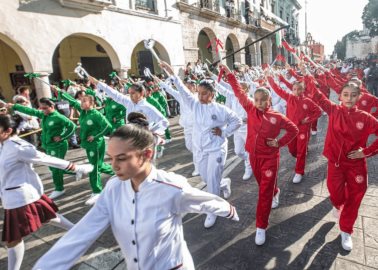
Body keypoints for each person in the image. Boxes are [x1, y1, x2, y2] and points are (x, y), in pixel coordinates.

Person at [33, 115, 239, 270]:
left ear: (146, 154)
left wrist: (229, 210)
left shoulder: (171, 187)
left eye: (121, 158)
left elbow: (205, 201)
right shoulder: (113, 188)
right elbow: (83, 232)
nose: (114, 165)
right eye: (111, 158)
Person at [0, 114, 93, 270]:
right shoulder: (3, 144)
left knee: (13, 238)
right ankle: (79, 231)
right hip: (15, 194)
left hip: (20, 197)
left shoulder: (18, 147)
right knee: (47, 216)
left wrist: (77, 167)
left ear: (8, 131)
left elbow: (45, 159)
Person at [221, 63, 298, 246]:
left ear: (269, 101)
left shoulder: (277, 116)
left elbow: (293, 129)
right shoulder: (250, 109)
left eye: (263, 99)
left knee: (264, 192)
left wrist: (279, 143)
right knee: (264, 184)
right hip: (253, 156)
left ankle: (261, 226)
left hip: (270, 158)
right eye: (256, 99)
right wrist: (230, 74)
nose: (259, 102)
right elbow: (239, 92)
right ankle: (276, 191)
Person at [160, 61, 242, 229]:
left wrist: (224, 132)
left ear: (212, 94)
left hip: (216, 149)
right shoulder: (195, 105)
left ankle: (213, 210)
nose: (200, 97)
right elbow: (182, 90)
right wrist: (171, 72)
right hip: (201, 150)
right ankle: (224, 183)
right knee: (206, 178)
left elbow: (237, 121)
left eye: (204, 94)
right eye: (199, 93)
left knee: (211, 182)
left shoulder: (221, 110)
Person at [304, 69, 378, 251]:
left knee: (355, 196)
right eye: (346, 95)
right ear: (340, 96)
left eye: (353, 95)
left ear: (359, 97)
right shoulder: (334, 110)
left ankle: (346, 230)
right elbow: (318, 95)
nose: (349, 98)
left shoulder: (365, 118)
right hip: (335, 164)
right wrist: (307, 75)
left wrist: (366, 152)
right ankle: (338, 206)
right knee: (334, 192)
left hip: (356, 165)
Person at [54, 87, 114, 205]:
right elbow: (72, 101)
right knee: (99, 165)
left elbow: (108, 127)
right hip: (88, 144)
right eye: (81, 101)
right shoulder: (83, 112)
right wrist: (60, 92)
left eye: (84, 101)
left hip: (96, 145)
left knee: (94, 167)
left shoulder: (96, 114)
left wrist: (95, 136)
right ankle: (119, 172)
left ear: (92, 103)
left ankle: (97, 191)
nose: (81, 103)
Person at [9, 98, 77, 199]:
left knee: (55, 168)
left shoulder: (59, 117)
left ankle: (59, 188)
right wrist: (15, 106)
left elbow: (72, 126)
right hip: (49, 145)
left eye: (45, 108)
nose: (42, 110)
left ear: (52, 107)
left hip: (58, 146)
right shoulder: (44, 115)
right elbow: (30, 111)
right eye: (41, 108)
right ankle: (76, 170)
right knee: (52, 167)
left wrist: (62, 136)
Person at [266, 69, 321, 184]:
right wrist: (269, 78)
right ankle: (299, 156)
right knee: (292, 149)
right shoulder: (289, 98)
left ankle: (299, 171)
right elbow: (278, 89)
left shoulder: (308, 101)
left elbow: (318, 112)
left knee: (301, 151)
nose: (296, 91)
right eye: (294, 89)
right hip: (291, 130)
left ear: (303, 89)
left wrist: (308, 120)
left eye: (299, 89)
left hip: (303, 130)